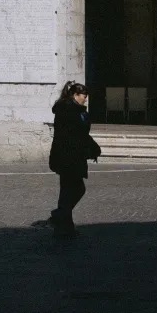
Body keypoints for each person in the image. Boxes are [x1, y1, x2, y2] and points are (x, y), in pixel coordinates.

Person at [38, 81, 99, 238]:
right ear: (75, 95)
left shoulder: (73, 109)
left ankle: (65, 227)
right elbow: (76, 134)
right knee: (77, 189)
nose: (85, 99)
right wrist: (91, 147)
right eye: (83, 96)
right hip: (68, 156)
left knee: (67, 191)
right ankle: (58, 216)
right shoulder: (68, 110)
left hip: (71, 155)